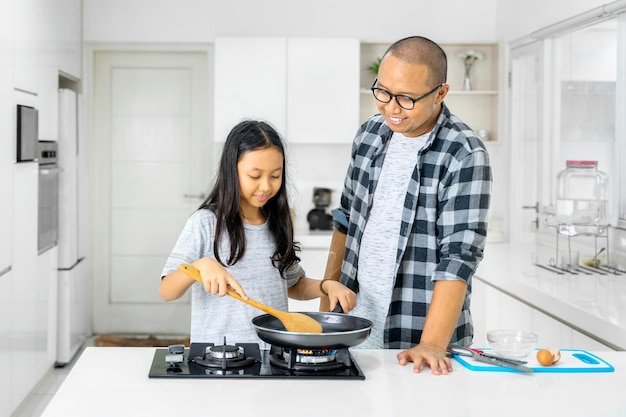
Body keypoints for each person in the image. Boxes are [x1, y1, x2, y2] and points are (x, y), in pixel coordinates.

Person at [320, 36, 492, 375]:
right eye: (382, 91)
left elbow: (459, 258)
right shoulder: (370, 134)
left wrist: (431, 344)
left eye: (407, 99)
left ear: (441, 93)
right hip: (353, 329)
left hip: (420, 345)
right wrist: (325, 305)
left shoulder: (464, 153)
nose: (391, 108)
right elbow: (345, 220)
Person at [159, 120, 356, 344]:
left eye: (275, 176)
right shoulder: (205, 223)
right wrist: (199, 266)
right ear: (232, 171)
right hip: (219, 358)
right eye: (254, 176)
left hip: (273, 354)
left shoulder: (278, 224)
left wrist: (325, 286)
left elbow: (292, 283)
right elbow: (167, 291)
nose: (265, 186)